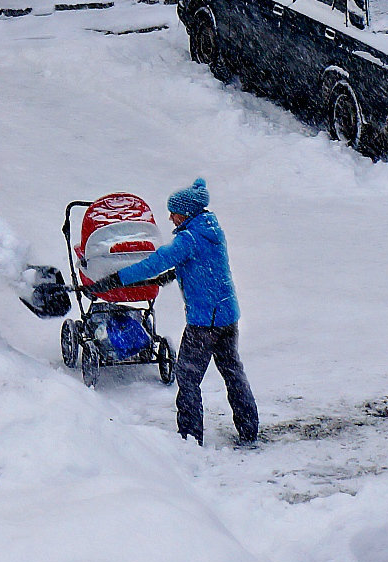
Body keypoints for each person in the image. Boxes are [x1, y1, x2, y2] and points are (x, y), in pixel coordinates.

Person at [84, 178, 258, 447]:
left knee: (187, 378)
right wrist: (174, 274)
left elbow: (153, 263)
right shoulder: (211, 230)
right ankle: (249, 430)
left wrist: (114, 280)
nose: (170, 217)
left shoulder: (188, 239)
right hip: (227, 318)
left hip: (204, 323)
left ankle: (189, 439)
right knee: (233, 373)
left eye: (173, 212)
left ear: (186, 213)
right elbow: (203, 266)